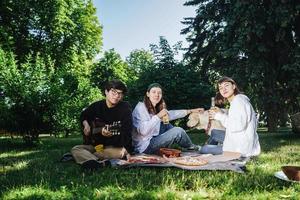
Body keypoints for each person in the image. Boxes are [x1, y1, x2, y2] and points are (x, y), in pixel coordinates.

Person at [71, 80, 133, 170]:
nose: (116, 96)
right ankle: (98, 163)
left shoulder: (125, 108)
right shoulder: (97, 106)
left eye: (120, 93)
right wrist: (86, 125)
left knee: (98, 154)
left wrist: (110, 136)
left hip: (117, 146)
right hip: (97, 146)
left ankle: (91, 161)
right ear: (106, 92)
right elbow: (84, 115)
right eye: (113, 92)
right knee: (76, 149)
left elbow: (127, 134)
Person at [131, 83, 204, 154]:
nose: (157, 95)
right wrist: (158, 116)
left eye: (159, 93)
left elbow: (173, 114)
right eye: (154, 92)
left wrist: (191, 110)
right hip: (145, 146)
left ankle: (185, 142)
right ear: (148, 94)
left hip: (153, 137)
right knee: (178, 131)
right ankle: (190, 147)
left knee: (166, 123)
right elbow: (143, 131)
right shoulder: (141, 108)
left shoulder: (155, 107)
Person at [200, 77, 261, 157]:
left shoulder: (238, 102)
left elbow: (238, 126)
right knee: (214, 132)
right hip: (241, 140)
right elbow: (236, 119)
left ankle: (211, 150)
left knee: (204, 149)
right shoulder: (238, 100)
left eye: (226, 85)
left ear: (233, 86)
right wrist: (221, 113)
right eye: (220, 88)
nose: (223, 89)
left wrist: (218, 116)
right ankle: (212, 147)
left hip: (240, 148)